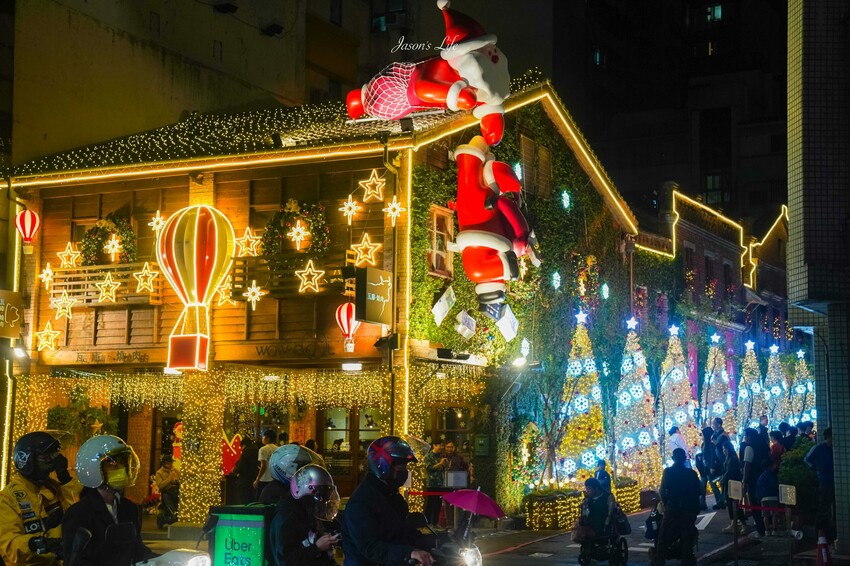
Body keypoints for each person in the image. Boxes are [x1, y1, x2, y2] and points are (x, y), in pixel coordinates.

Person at [61, 435, 156, 565]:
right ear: (93, 470)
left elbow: (137, 550)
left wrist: (166, 559)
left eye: (122, 463)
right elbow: (76, 561)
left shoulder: (130, 509)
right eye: (112, 464)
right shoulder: (79, 513)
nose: (121, 469)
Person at [342, 436, 434, 566]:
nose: (404, 473)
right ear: (383, 466)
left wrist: (438, 539)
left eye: (405, 469)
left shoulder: (392, 496)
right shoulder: (362, 502)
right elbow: (370, 547)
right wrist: (409, 552)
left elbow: (402, 531)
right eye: (400, 470)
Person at [0, 431, 78, 565]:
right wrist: (37, 543)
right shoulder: (8, 498)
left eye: (53, 456)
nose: (51, 462)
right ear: (26, 459)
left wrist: (66, 480)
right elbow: (9, 547)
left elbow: (77, 515)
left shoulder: (53, 488)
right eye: (45, 457)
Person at [269, 464, 341, 565]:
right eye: (318, 499)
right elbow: (286, 560)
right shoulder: (286, 517)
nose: (320, 504)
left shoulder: (306, 510)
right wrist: (317, 548)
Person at [655, 448, 701, 566]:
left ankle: (659, 561)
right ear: (685, 458)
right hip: (688, 509)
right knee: (687, 540)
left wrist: (666, 504)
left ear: (673, 458)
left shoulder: (668, 472)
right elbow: (699, 491)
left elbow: (662, 491)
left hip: (673, 509)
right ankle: (686, 562)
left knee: (663, 538)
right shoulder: (691, 474)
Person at [260, 444, 324, 505]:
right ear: (288, 468)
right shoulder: (277, 492)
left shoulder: (289, 488)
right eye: (300, 467)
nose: (303, 471)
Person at [805, 427, 834, 543]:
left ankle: (827, 532)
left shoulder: (834, 448)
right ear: (828, 437)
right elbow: (806, 459)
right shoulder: (819, 448)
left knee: (828, 506)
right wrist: (816, 468)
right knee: (824, 506)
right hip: (825, 480)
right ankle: (821, 532)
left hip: (832, 480)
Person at [740, 428, 768, 538]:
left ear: (749, 436)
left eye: (745, 436)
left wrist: (744, 480)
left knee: (755, 505)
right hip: (764, 478)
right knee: (765, 504)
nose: (745, 438)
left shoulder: (749, 448)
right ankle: (769, 528)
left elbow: (747, 465)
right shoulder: (762, 446)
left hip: (753, 480)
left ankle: (761, 530)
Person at [573, 478, 613, 543]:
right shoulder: (588, 499)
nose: (587, 491)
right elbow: (583, 511)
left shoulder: (607, 497)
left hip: (602, 520)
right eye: (586, 489)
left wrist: (608, 518)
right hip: (590, 520)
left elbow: (610, 512)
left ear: (596, 488)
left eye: (589, 489)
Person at [719, 440, 746, 535]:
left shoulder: (732, 458)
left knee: (735, 504)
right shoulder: (729, 458)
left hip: (733, 484)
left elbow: (730, 471)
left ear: (728, 449)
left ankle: (743, 524)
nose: (723, 450)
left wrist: (722, 479)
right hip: (729, 484)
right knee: (731, 505)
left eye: (724, 448)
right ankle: (734, 524)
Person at [695, 427, 721, 511]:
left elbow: (713, 456)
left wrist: (712, 467)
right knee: (703, 485)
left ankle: (720, 501)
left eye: (702, 434)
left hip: (709, 468)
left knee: (712, 485)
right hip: (704, 468)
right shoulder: (704, 445)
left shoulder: (710, 445)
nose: (701, 436)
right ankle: (702, 503)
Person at [423, 441, 446, 526]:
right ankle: (427, 522)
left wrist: (443, 464)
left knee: (438, 504)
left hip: (440, 483)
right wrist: (440, 463)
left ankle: (435, 522)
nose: (441, 447)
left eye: (441, 445)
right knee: (430, 503)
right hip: (432, 483)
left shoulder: (440, 456)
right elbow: (429, 468)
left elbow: (442, 469)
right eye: (439, 445)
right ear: (434, 445)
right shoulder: (429, 456)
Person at [153, 453, 180, 528]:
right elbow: (161, 485)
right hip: (167, 492)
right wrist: (170, 478)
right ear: (164, 463)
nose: (171, 465)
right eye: (169, 463)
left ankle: (177, 513)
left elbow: (180, 479)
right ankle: (173, 513)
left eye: (171, 463)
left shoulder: (175, 471)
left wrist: (176, 481)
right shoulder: (159, 473)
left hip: (176, 491)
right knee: (167, 497)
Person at [254, 429, 278, 499]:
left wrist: (257, 479)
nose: (262, 438)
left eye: (263, 437)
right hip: (274, 479)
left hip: (264, 479)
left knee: (261, 499)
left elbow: (264, 465)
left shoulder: (263, 449)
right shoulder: (278, 448)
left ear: (267, 438)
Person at [235, 436, 259, 504]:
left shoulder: (246, 452)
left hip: (244, 480)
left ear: (244, 445)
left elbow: (241, 466)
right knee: (252, 500)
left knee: (244, 500)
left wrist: (236, 470)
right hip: (253, 479)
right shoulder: (256, 450)